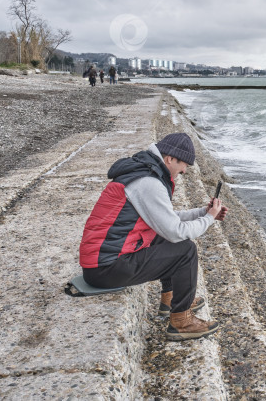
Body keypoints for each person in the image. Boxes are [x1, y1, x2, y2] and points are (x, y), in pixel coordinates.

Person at [78, 133, 228, 341]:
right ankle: (181, 322)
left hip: (101, 263)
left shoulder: (143, 172)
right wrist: (209, 219)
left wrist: (203, 213)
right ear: (170, 159)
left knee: (162, 236)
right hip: (106, 268)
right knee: (185, 250)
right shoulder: (149, 183)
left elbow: (164, 221)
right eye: (184, 165)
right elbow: (175, 232)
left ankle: (171, 298)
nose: (184, 171)